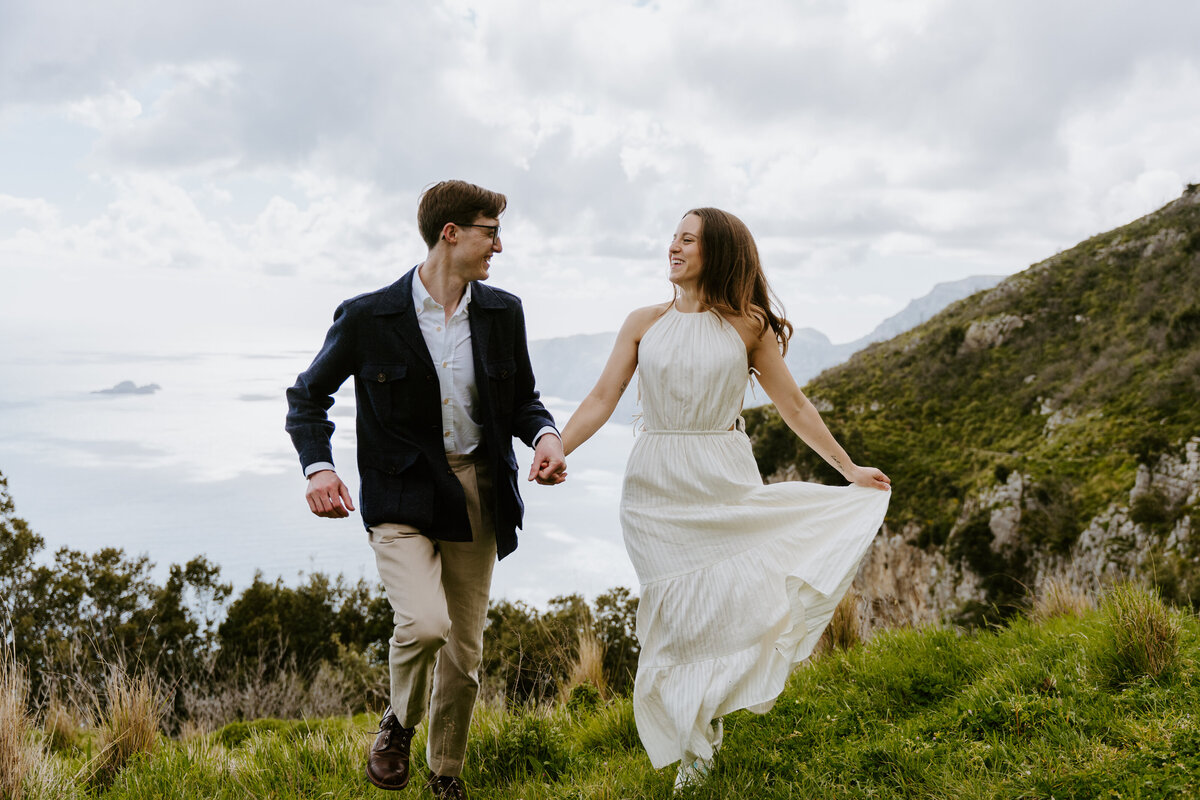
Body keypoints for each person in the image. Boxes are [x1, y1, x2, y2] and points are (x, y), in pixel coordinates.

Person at [560, 207, 891, 789]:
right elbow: (601, 397)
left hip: (722, 474)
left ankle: (701, 733)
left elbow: (794, 407)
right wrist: (558, 448)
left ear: (717, 253)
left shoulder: (749, 326)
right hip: (654, 486)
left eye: (688, 240)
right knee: (674, 618)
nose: (674, 247)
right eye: (673, 237)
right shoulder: (642, 322)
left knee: (722, 606)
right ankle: (692, 740)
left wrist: (849, 469)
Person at [285, 180, 567, 799]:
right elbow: (307, 398)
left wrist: (544, 435)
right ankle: (399, 723)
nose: (499, 245)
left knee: (464, 656)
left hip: (478, 490)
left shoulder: (503, 312)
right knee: (424, 624)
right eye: (490, 232)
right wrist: (320, 467)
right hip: (400, 497)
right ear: (452, 234)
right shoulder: (367, 317)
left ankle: (446, 776)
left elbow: (522, 400)